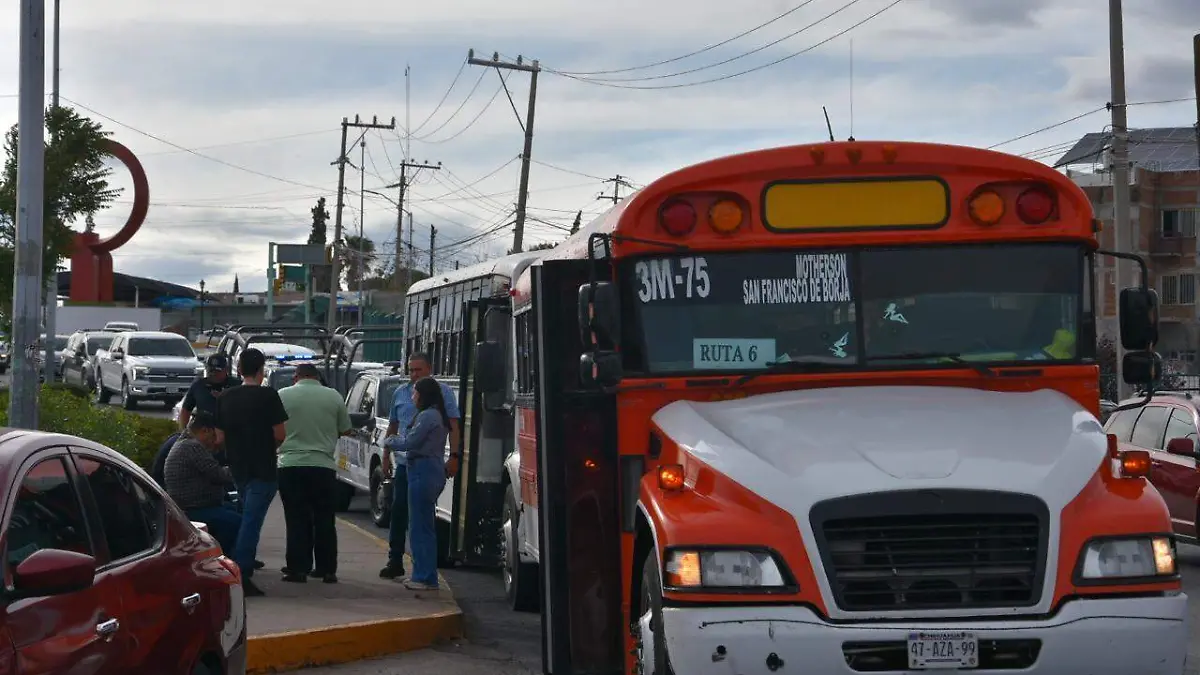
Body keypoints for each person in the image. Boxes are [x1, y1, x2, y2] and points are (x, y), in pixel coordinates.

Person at [378, 352, 460, 580]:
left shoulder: (440, 395)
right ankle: (395, 560)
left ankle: (424, 572)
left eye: (418, 370)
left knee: (421, 521)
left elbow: (453, 425)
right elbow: (393, 426)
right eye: (410, 370)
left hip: (425, 464)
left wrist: (454, 456)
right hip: (405, 464)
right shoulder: (400, 393)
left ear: (429, 369)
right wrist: (386, 456)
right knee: (399, 512)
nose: (413, 374)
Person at [216, 348, 289, 597]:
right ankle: (240, 572)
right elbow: (280, 434)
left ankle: (235, 567)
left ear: (238, 369)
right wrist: (267, 446)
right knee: (251, 521)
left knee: (246, 516)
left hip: (238, 467)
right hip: (264, 468)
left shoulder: (225, 397)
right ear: (261, 371)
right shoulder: (269, 396)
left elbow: (219, 437)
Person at [276, 363, 354, 584]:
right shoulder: (334, 396)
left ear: (296, 377)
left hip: (290, 464)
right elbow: (346, 429)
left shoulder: (282, 395)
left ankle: (297, 569)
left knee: (296, 519)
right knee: (325, 519)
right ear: (317, 377)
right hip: (323, 466)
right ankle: (327, 569)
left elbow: (275, 428)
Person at [385, 377, 449, 590]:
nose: (412, 397)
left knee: (419, 528)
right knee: (422, 525)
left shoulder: (428, 416)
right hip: (425, 470)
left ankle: (423, 576)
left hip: (423, 471)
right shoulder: (433, 414)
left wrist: (390, 441)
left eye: (415, 393)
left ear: (424, 394)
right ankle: (424, 573)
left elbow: (410, 441)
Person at [151, 352, 241, 487]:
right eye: (210, 371)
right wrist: (184, 432)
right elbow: (185, 410)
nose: (213, 375)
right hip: (204, 436)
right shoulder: (199, 385)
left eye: (217, 372)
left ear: (225, 370)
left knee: (227, 475)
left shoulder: (236, 385)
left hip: (229, 438)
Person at [163, 410, 241, 554]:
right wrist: (241, 467)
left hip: (192, 504)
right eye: (212, 436)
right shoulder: (192, 446)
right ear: (204, 430)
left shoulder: (184, 443)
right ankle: (221, 556)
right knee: (235, 522)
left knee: (232, 508)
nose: (213, 441)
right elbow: (218, 475)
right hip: (194, 508)